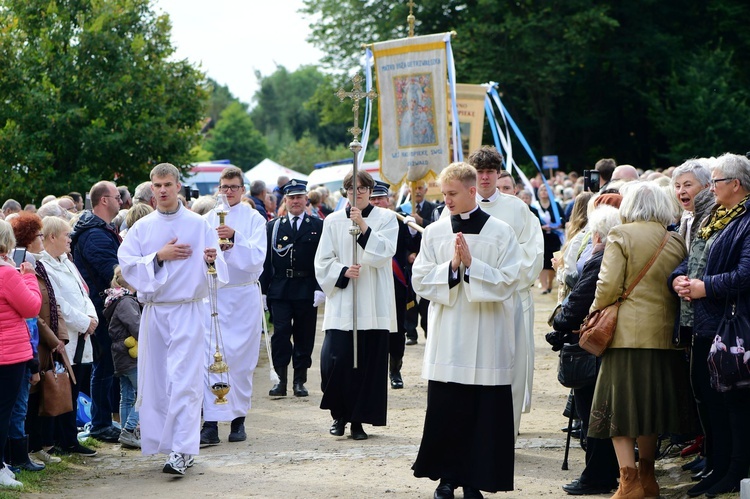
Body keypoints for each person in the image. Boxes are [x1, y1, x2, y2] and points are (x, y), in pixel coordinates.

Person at [411, 162, 523, 499]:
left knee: (482, 412)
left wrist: (474, 266)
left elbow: (510, 279)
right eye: (443, 194)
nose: (446, 200)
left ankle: (475, 479)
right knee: (448, 410)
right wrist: (451, 267)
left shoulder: (501, 232)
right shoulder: (434, 232)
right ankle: (447, 478)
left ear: (472, 191)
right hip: (449, 335)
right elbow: (420, 279)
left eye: (452, 193)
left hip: (487, 333)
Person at [118, 162, 227, 476]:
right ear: (151, 189)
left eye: (168, 184)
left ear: (178, 186)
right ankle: (163, 442)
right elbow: (126, 266)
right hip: (155, 312)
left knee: (184, 380)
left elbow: (217, 268)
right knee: (158, 381)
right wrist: (158, 257)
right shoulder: (142, 227)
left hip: (188, 310)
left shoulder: (198, 223)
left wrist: (212, 259)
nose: (163, 190)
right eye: (157, 185)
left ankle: (182, 449)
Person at [587, 181, 692, 499]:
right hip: (663, 338)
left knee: (619, 411)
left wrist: (593, 313)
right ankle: (648, 479)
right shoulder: (674, 240)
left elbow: (606, 286)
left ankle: (628, 482)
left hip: (625, 336)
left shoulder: (620, 234)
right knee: (649, 410)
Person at [671, 153, 750, 497]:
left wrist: (706, 287)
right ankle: (718, 464)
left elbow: (746, 274)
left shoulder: (745, 220)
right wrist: (679, 279)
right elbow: (694, 257)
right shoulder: (719, 216)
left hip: (732, 324)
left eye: (715, 182)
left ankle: (734, 470)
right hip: (707, 322)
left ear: (735, 184)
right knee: (710, 398)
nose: (710, 188)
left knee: (733, 403)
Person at [461, 146, 544, 437]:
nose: (484, 178)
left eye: (489, 172)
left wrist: (498, 279)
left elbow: (532, 253)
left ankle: (506, 431)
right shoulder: (460, 206)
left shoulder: (516, 208)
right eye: (479, 172)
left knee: (511, 362)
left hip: (509, 297)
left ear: (498, 174)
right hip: (469, 299)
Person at [314, 170, 398, 441]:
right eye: (352, 189)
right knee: (335, 361)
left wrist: (362, 225)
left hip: (373, 302)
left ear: (370, 191)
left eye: (362, 188)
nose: (357, 193)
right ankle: (339, 414)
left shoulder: (386, 218)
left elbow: (383, 253)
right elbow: (322, 260)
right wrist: (341, 272)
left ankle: (358, 421)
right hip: (344, 302)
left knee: (366, 366)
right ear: (345, 192)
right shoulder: (333, 221)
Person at [551, 205, 622, 495]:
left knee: (592, 413)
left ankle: (596, 476)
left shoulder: (600, 259)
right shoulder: (617, 255)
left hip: (592, 343)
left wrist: (558, 321)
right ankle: (607, 472)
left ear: (596, 234)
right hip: (612, 340)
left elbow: (577, 303)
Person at [200, 167, 266, 445]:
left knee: (240, 362)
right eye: (224, 187)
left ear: (243, 189)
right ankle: (211, 422)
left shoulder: (254, 219)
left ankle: (238, 420)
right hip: (215, 297)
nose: (228, 192)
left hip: (242, 296)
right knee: (211, 359)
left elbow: (258, 258)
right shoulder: (204, 220)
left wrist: (235, 239)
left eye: (233, 187)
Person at [39, 216, 98, 456]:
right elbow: (57, 302)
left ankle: (70, 438)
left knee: (75, 387)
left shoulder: (66, 261)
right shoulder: (44, 265)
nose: (70, 239)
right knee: (63, 389)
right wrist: (84, 322)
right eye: (66, 235)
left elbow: (83, 292)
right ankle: (62, 440)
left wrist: (91, 318)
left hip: (83, 334)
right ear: (52, 237)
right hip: (68, 335)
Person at [70, 180, 123, 443]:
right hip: (100, 307)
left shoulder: (99, 229)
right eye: (116, 196)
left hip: (102, 305)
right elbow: (111, 273)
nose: (121, 201)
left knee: (104, 365)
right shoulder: (94, 234)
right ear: (104, 200)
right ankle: (101, 423)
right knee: (103, 366)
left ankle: (102, 420)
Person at [261, 179, 325, 398]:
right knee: (280, 334)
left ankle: (300, 380)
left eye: (299, 197)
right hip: (280, 288)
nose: (296, 201)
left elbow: (323, 260)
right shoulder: (274, 226)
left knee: (304, 334)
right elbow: (267, 261)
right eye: (291, 198)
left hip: (307, 287)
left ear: (306, 199)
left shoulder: (317, 226)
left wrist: (320, 287)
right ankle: (280, 380)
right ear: (285, 200)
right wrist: (262, 290)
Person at [0, 219, 41, 490]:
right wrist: (29, 277)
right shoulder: (7, 273)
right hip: (9, 354)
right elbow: (31, 307)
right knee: (4, 412)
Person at [369, 180, 418, 389]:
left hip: (394, 282)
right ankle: (374, 371)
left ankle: (395, 370)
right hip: (370, 282)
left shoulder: (399, 221)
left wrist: (413, 230)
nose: (378, 202)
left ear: (388, 200)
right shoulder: (361, 221)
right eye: (374, 198)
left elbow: (412, 247)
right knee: (372, 328)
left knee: (396, 330)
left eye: (381, 198)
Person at [103, 266, 142, 449]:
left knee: (126, 395)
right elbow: (137, 327)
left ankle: (127, 433)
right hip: (130, 355)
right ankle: (129, 429)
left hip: (120, 356)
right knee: (144, 394)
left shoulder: (114, 299)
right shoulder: (126, 301)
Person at [535, 183, 566, 294]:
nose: (544, 192)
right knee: (542, 261)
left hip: (554, 237)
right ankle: (543, 286)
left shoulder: (555, 205)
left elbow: (563, 220)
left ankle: (549, 284)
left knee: (552, 261)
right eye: (542, 189)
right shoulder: (535, 206)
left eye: (546, 190)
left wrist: (557, 225)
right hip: (540, 237)